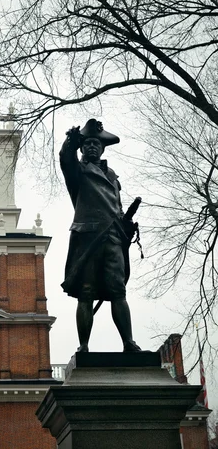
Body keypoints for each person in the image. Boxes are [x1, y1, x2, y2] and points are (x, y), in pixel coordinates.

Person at [59, 118, 141, 353]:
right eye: (88, 144)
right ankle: (84, 347)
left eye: (97, 143)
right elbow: (66, 158)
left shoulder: (113, 177)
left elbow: (116, 207)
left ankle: (129, 343)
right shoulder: (78, 171)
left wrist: (126, 224)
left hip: (113, 238)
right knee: (86, 294)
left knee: (118, 291)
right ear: (82, 148)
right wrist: (70, 142)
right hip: (88, 238)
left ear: (103, 148)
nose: (92, 146)